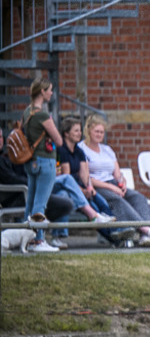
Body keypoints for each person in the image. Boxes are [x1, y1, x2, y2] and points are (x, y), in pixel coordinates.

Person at [80, 115, 150, 247]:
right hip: (97, 186)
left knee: (138, 197)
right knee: (117, 199)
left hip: (113, 184)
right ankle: (146, 229)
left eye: (102, 132)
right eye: (96, 131)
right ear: (88, 130)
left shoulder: (107, 150)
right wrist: (112, 187)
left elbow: (117, 173)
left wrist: (122, 183)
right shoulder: (82, 149)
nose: (99, 134)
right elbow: (86, 177)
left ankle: (145, 236)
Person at [56, 116, 130, 246]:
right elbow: (67, 179)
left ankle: (116, 233)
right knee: (94, 208)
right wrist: (82, 191)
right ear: (66, 134)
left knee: (103, 204)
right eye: (76, 131)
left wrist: (89, 188)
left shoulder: (78, 150)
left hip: (80, 186)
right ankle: (115, 236)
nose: (79, 133)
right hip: (69, 188)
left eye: (80, 130)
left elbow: (85, 174)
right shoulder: (63, 151)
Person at [0, 126, 74, 248]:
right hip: (21, 197)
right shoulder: (3, 160)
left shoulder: (8, 156)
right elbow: (11, 180)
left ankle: (46, 237)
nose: (0, 140)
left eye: (1, 137)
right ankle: (38, 239)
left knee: (65, 191)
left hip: (29, 191)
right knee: (67, 189)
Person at [20, 78, 63, 252]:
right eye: (49, 90)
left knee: (30, 203)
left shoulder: (26, 112)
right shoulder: (43, 115)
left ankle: (26, 239)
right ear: (42, 92)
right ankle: (38, 240)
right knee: (40, 204)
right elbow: (59, 140)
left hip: (31, 162)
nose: (51, 93)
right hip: (45, 161)